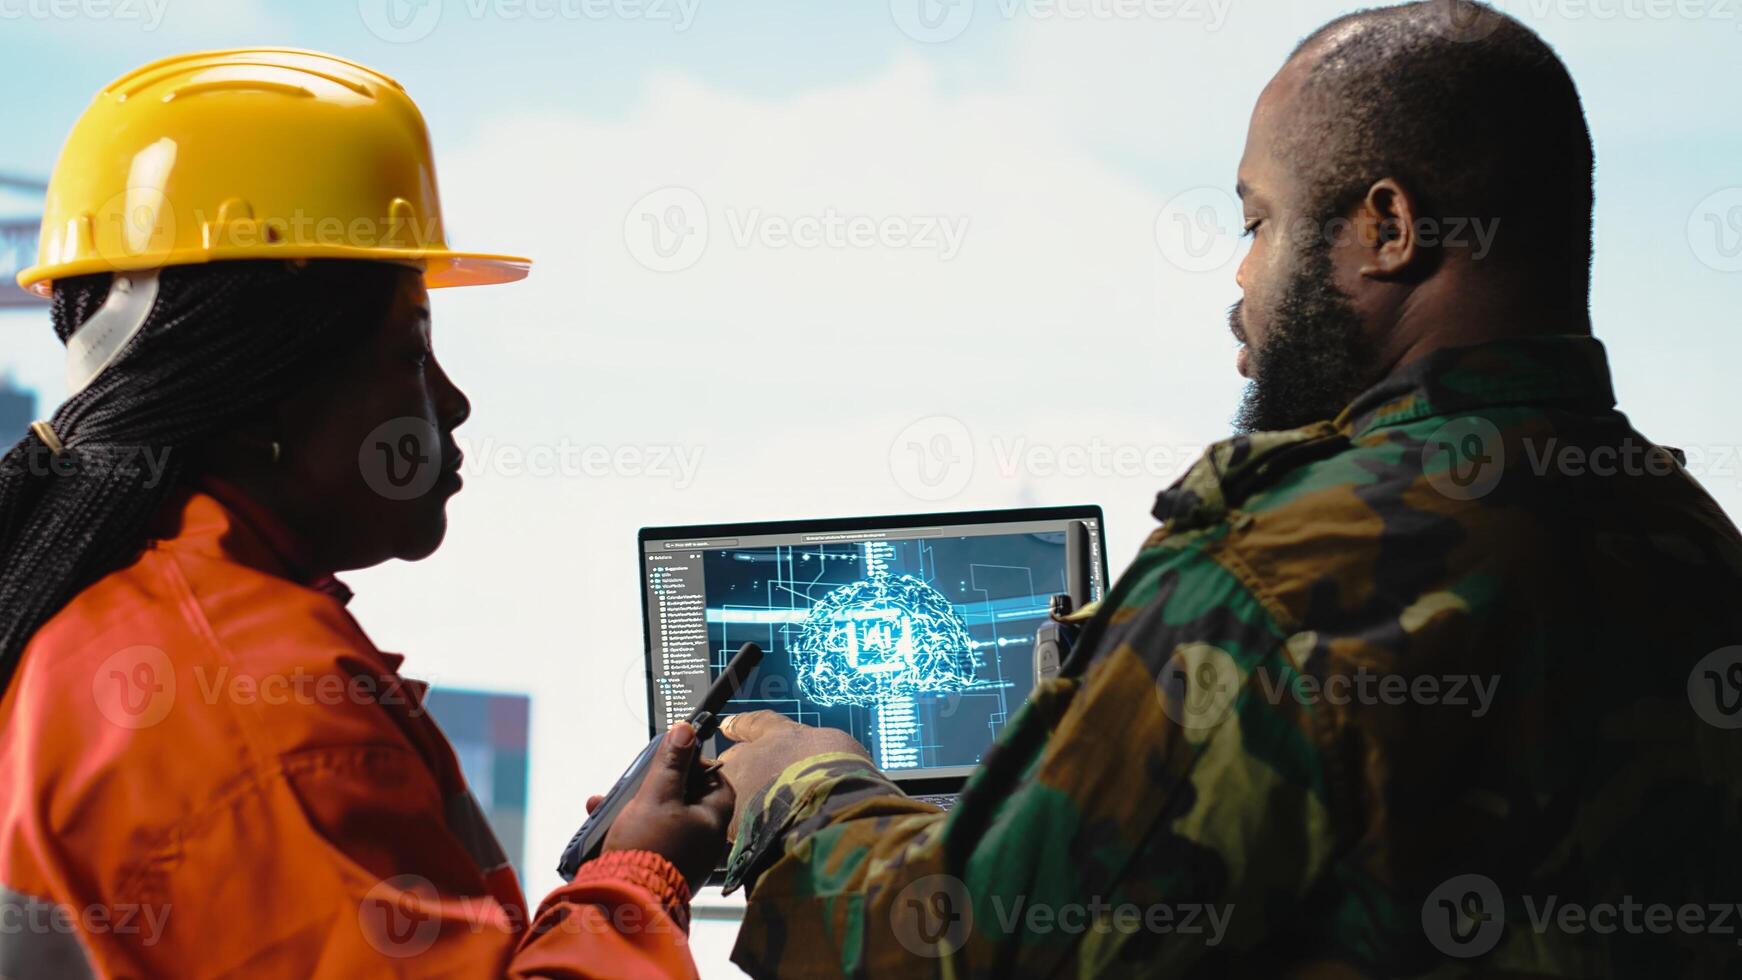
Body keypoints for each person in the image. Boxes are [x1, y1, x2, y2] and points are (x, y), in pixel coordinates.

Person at [717, 3, 1742, 976]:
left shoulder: (1274, 571)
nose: (1241, 282)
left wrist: (803, 788)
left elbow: (966, 947)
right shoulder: (1694, 543)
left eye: (1256, 223)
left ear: (1388, 226)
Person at [0, 49, 729, 977]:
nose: (453, 401)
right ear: (268, 385)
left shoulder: (128, 615)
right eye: (409, 351)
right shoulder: (253, 707)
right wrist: (640, 875)